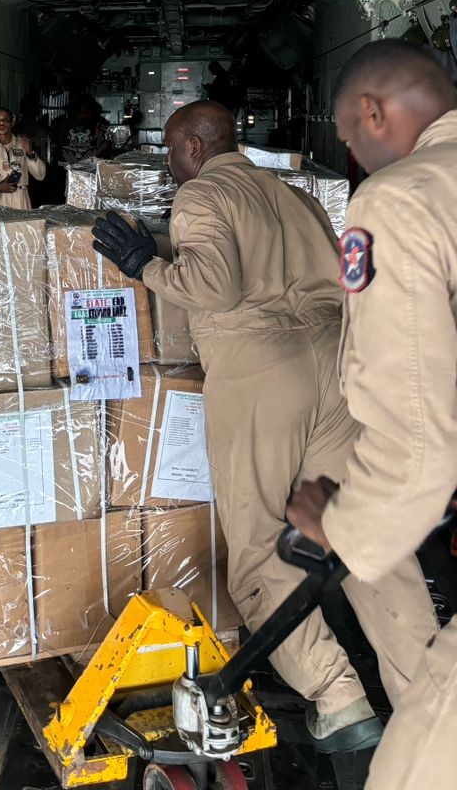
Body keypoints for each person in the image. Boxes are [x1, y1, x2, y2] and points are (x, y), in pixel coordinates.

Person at [92, 99, 438, 753]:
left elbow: (216, 289)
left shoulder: (201, 197)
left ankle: (339, 699)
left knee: (256, 553)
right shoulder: (294, 197)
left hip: (260, 375)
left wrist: (146, 266)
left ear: (195, 146)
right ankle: (430, 694)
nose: (170, 165)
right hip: (335, 369)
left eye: (171, 152)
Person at [287, 40, 457, 789]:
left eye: (348, 137)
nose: (350, 152)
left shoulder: (399, 201)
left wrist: (342, 527)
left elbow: (419, 440)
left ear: (372, 112)